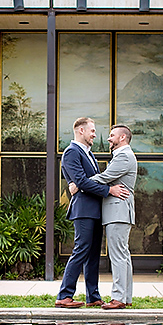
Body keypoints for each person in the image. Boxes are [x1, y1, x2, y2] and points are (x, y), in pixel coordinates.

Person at [55, 117, 130, 309]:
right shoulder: (71, 152)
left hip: (96, 210)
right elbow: (81, 180)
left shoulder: (88, 153)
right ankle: (64, 295)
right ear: (81, 131)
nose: (95, 135)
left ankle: (93, 296)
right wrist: (109, 191)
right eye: (93, 131)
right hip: (83, 210)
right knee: (81, 250)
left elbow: (86, 181)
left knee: (93, 254)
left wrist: (80, 185)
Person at [70, 124, 138, 310]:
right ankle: (125, 297)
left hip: (118, 212)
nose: (108, 138)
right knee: (123, 255)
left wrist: (79, 184)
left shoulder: (124, 156)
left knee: (118, 256)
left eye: (112, 135)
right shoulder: (122, 155)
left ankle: (118, 299)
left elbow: (105, 177)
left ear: (122, 138)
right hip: (118, 212)